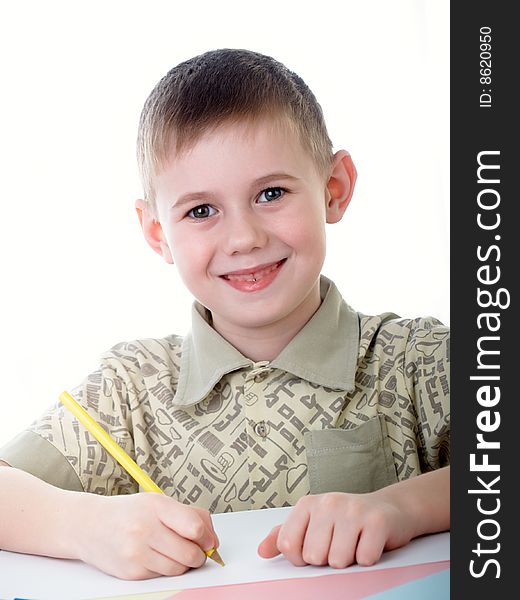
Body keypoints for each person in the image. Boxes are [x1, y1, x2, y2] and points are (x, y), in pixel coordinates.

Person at [0, 48, 450, 580]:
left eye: (271, 193)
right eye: (201, 211)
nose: (243, 238)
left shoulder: (418, 358)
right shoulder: (131, 387)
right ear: (157, 232)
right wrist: (85, 524)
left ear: (335, 188)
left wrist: (403, 507)